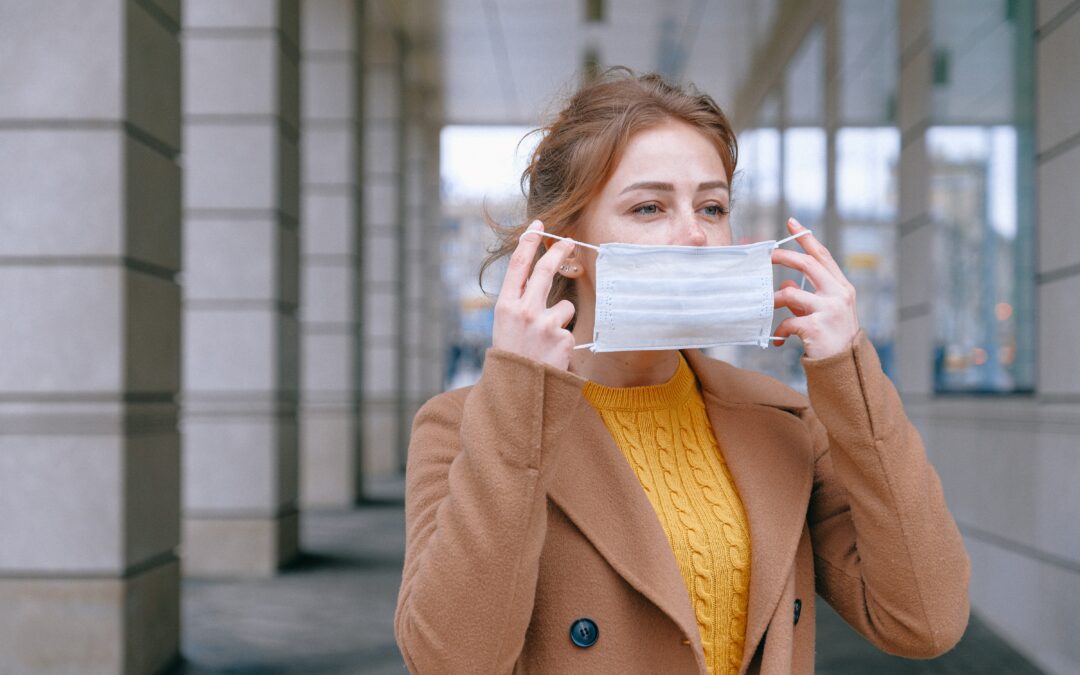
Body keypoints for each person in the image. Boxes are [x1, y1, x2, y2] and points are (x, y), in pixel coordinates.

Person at [394, 68, 970, 674]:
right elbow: (451, 661)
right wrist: (518, 397)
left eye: (713, 206)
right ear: (568, 244)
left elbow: (925, 621)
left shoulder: (782, 420)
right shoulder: (463, 428)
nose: (695, 234)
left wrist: (849, 376)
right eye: (649, 207)